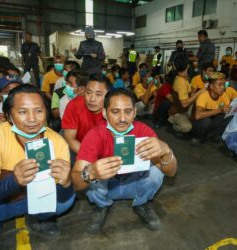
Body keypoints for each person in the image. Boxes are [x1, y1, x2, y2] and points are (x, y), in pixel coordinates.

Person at [0, 84, 75, 249]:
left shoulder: (57, 142)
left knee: (66, 200)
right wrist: (14, 181)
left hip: (37, 199)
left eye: (39, 111)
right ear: (9, 115)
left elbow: (64, 195)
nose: (32, 119)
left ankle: (40, 218)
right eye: (22, 112)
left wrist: (67, 183)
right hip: (1, 202)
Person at [71, 89, 177, 233]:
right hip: (106, 189)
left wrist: (166, 150)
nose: (122, 118)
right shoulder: (94, 135)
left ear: (134, 112)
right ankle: (102, 205)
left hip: (134, 185)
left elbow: (171, 172)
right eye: (115, 111)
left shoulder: (144, 131)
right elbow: (76, 182)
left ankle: (141, 202)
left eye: (127, 111)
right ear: (104, 113)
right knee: (89, 173)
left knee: (156, 171)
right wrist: (91, 172)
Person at [62, 74, 110, 154]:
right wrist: (90, 157)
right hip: (79, 148)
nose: (92, 99)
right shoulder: (74, 105)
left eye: (98, 94)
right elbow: (70, 139)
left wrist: (109, 121)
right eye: (88, 92)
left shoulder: (114, 109)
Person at [168, 54, 203, 134]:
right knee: (188, 127)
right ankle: (174, 126)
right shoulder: (181, 82)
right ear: (188, 66)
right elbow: (184, 104)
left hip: (184, 110)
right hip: (177, 113)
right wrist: (199, 92)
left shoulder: (182, 79)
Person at [193, 72, 231, 144]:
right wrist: (219, 110)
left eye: (223, 84)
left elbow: (228, 108)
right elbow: (197, 115)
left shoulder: (223, 95)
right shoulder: (203, 96)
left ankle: (211, 136)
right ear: (211, 86)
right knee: (206, 121)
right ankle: (198, 137)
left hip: (212, 122)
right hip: (199, 124)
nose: (223, 87)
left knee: (228, 117)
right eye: (220, 85)